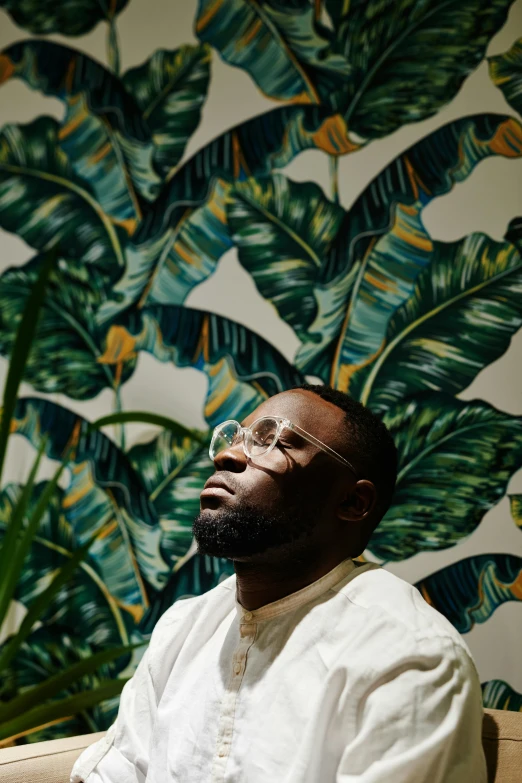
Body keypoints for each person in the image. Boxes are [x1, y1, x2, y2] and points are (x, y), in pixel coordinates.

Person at [71, 384, 487, 783]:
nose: (229, 455)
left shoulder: (410, 657)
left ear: (352, 502)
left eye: (273, 441)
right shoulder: (184, 626)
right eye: (234, 437)